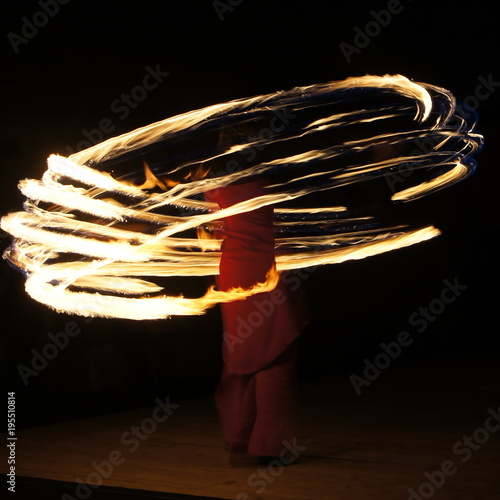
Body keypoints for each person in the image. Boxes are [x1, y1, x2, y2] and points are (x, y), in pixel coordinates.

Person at [204, 126, 309, 466]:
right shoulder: (266, 180)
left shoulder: (211, 186)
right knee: (275, 358)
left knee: (245, 355)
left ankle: (241, 440)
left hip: (234, 270)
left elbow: (210, 232)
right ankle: (266, 446)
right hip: (264, 269)